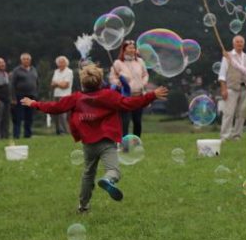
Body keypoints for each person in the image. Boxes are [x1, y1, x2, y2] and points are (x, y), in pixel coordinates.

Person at [21, 64, 168, 213]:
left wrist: (34, 103)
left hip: (88, 143)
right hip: (107, 141)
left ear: (82, 82)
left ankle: (83, 206)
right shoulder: (109, 96)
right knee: (113, 170)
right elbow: (131, 103)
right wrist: (152, 95)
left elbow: (56, 107)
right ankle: (108, 180)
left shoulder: (76, 98)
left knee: (88, 174)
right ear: (100, 81)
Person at [109, 40, 150, 138]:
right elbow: (112, 78)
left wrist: (142, 83)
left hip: (138, 95)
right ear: (124, 50)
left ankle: (137, 143)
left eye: (134, 47)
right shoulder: (118, 63)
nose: (133, 49)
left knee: (137, 121)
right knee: (125, 122)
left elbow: (145, 75)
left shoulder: (140, 61)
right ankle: (124, 145)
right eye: (130, 47)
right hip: (125, 97)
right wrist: (118, 83)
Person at [217, 36, 246, 141]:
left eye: (241, 42)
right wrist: (223, 89)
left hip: (245, 88)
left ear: (244, 44)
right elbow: (222, 74)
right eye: (237, 42)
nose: (239, 44)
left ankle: (237, 135)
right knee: (229, 113)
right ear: (233, 44)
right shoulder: (227, 56)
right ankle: (224, 135)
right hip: (231, 88)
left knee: (241, 114)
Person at [10, 53, 39, 139]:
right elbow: (12, 85)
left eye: (28, 59)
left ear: (30, 60)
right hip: (20, 96)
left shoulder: (34, 70)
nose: (26, 60)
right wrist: (13, 98)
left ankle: (28, 135)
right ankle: (16, 135)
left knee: (29, 117)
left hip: (31, 96)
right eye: (24, 59)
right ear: (21, 60)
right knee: (18, 117)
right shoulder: (16, 70)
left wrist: (36, 95)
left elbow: (37, 83)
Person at [50, 56, 74, 136]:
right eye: (59, 62)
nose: (61, 63)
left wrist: (56, 83)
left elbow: (65, 85)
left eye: (62, 62)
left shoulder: (69, 72)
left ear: (66, 63)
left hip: (65, 95)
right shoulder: (56, 71)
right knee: (56, 114)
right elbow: (52, 84)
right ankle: (58, 131)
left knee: (63, 115)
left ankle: (65, 131)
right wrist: (59, 83)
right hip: (56, 95)